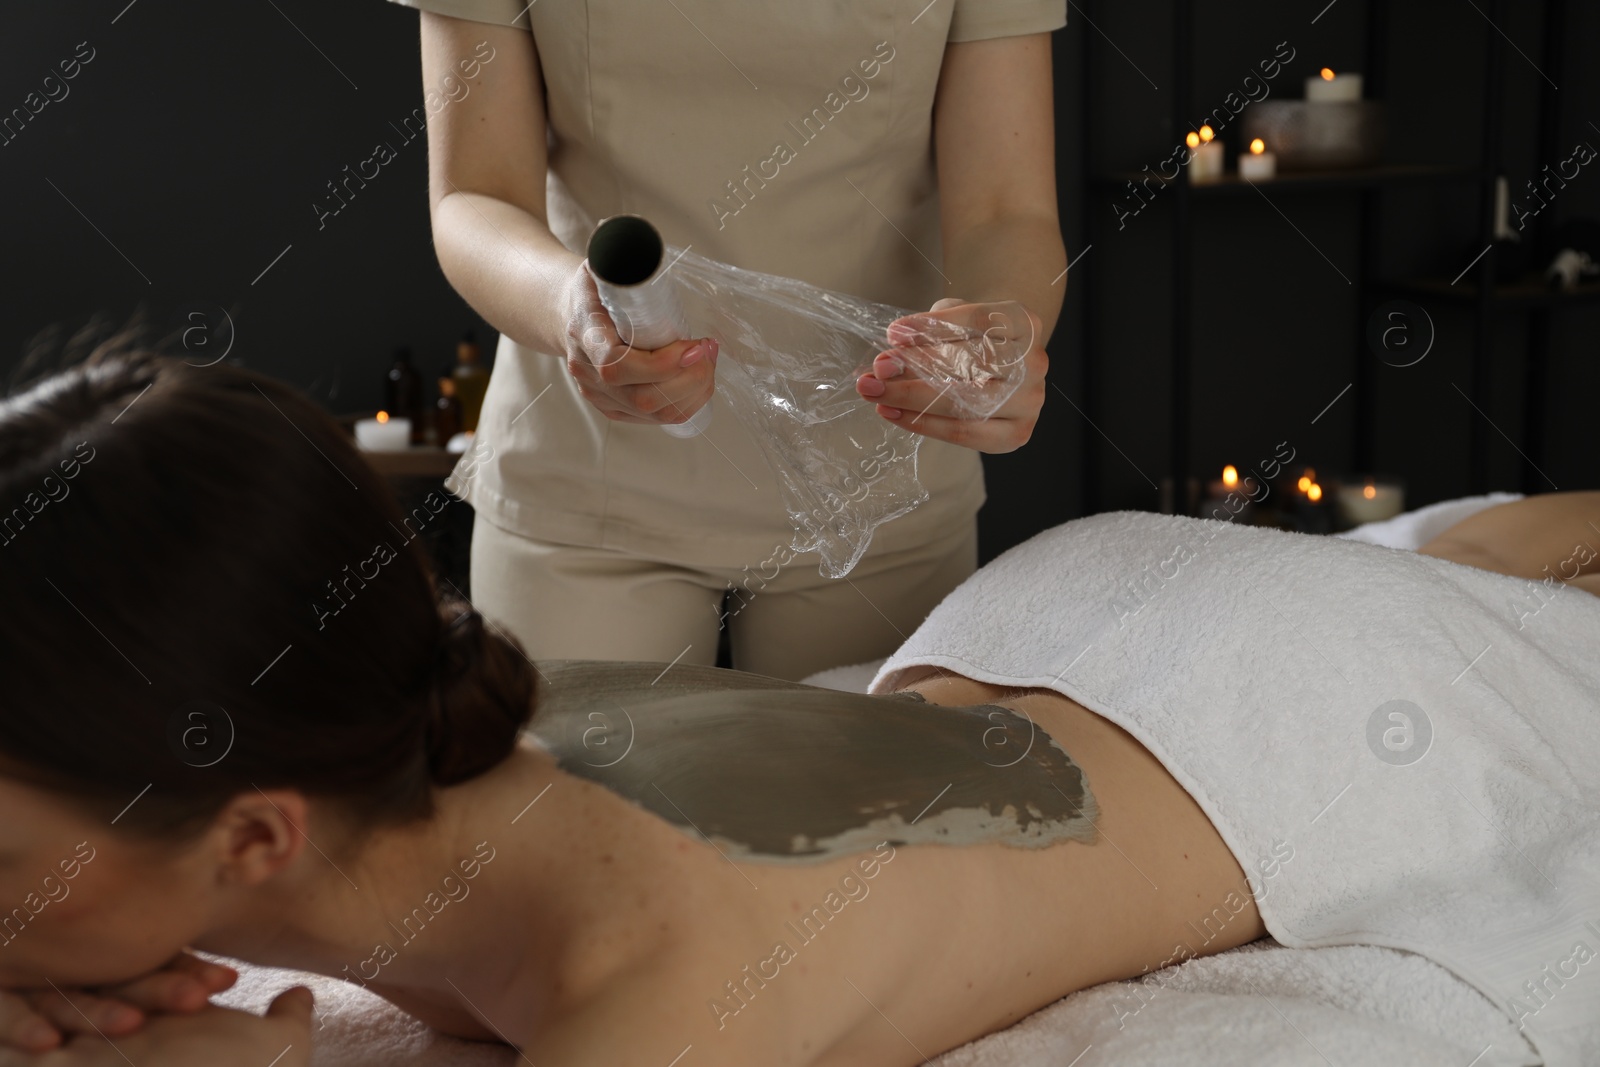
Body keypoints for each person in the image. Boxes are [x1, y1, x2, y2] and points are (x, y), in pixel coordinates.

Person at [2, 350, 1592, 1065]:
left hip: (1299, 712)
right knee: (1466, 553)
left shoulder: (660, 974)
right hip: (1080, 610)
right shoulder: (404, 731)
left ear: (258, 828)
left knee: (1526, 589)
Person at [388, 0, 1066, 681]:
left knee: (863, 786)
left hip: (878, 483)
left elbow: (1009, 209)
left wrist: (993, 342)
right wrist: (572, 311)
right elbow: (475, 194)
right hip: (587, 479)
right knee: (573, 785)